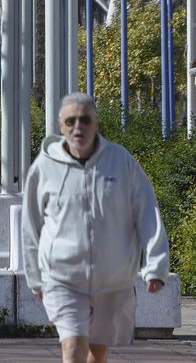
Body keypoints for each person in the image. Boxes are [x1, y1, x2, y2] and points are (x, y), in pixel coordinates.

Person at [22, 92, 169, 363]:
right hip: (62, 278)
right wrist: (35, 278)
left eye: (85, 120)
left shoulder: (120, 161)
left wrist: (156, 267)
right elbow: (31, 226)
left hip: (113, 280)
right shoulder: (44, 168)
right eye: (71, 121)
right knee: (73, 348)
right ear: (60, 125)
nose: (78, 127)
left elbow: (148, 212)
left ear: (96, 123)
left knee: (97, 353)